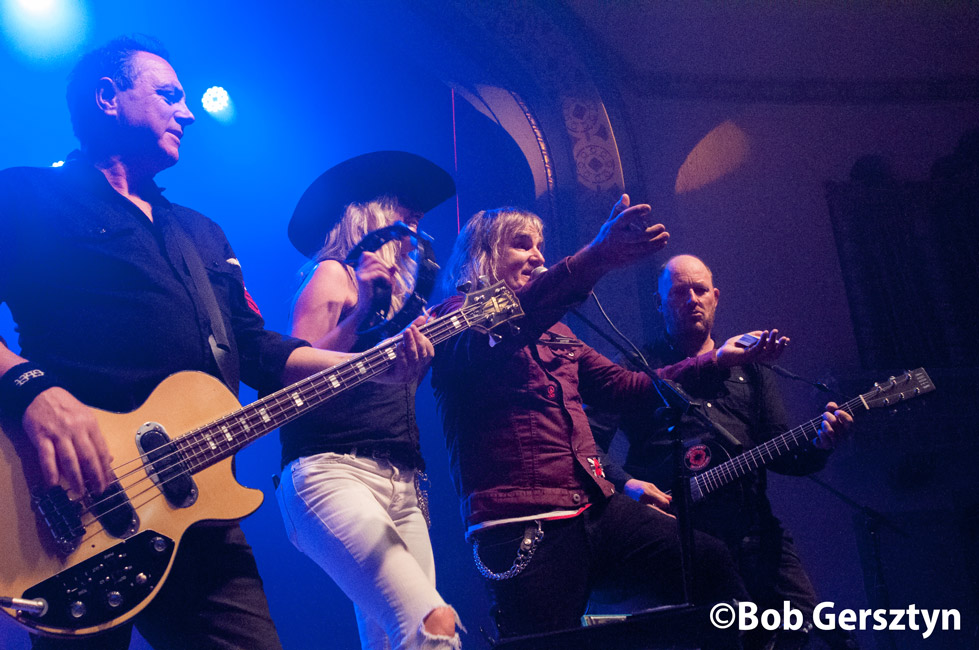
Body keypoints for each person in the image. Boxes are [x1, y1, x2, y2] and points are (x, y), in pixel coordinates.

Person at [0, 36, 431, 650]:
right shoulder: (27, 197)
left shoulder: (201, 233)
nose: (189, 112)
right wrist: (31, 391)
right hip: (72, 500)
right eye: (168, 95)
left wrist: (369, 367)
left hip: (194, 507)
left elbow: (259, 349)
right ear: (108, 98)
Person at [428, 202, 803, 639]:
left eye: (540, 247)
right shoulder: (452, 321)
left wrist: (716, 360)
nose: (537, 256)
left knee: (709, 561)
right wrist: (596, 257)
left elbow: (629, 387)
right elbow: (516, 318)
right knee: (546, 641)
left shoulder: (559, 334)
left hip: (594, 507)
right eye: (520, 245)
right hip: (522, 524)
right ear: (482, 256)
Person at [588, 254, 855, 649]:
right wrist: (629, 486)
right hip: (680, 540)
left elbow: (780, 450)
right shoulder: (636, 368)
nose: (691, 299)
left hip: (753, 532)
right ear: (660, 303)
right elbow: (589, 443)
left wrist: (821, 443)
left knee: (809, 635)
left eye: (699, 290)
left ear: (716, 297)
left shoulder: (752, 369)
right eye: (679, 292)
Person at [275, 151, 462, 650]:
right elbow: (296, 384)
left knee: (393, 641)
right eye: (407, 212)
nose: (417, 224)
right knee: (433, 625)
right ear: (372, 216)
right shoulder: (332, 275)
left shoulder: (403, 301)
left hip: (402, 479)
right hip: (332, 472)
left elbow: (387, 388)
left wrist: (415, 356)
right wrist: (359, 314)